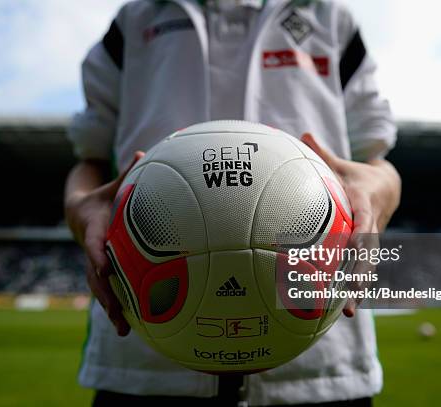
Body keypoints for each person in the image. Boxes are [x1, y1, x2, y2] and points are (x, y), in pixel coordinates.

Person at [64, 0, 401, 405]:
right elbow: (90, 159)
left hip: (321, 361)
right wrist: (81, 208)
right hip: (144, 355)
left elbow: (377, 161)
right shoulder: (135, 20)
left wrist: (378, 193)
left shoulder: (330, 18)